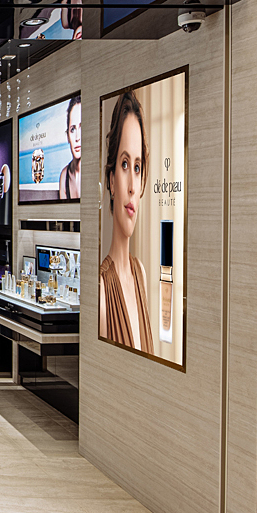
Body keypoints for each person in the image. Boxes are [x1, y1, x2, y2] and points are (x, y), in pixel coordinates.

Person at [98, 91, 154, 355]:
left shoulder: (140, 273)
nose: (132, 186)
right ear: (111, 181)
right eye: (124, 164)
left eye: (137, 167)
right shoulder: (101, 290)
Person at [58, 95, 83, 199]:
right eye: (73, 129)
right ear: (67, 136)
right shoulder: (64, 176)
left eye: (82, 127)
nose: (77, 137)